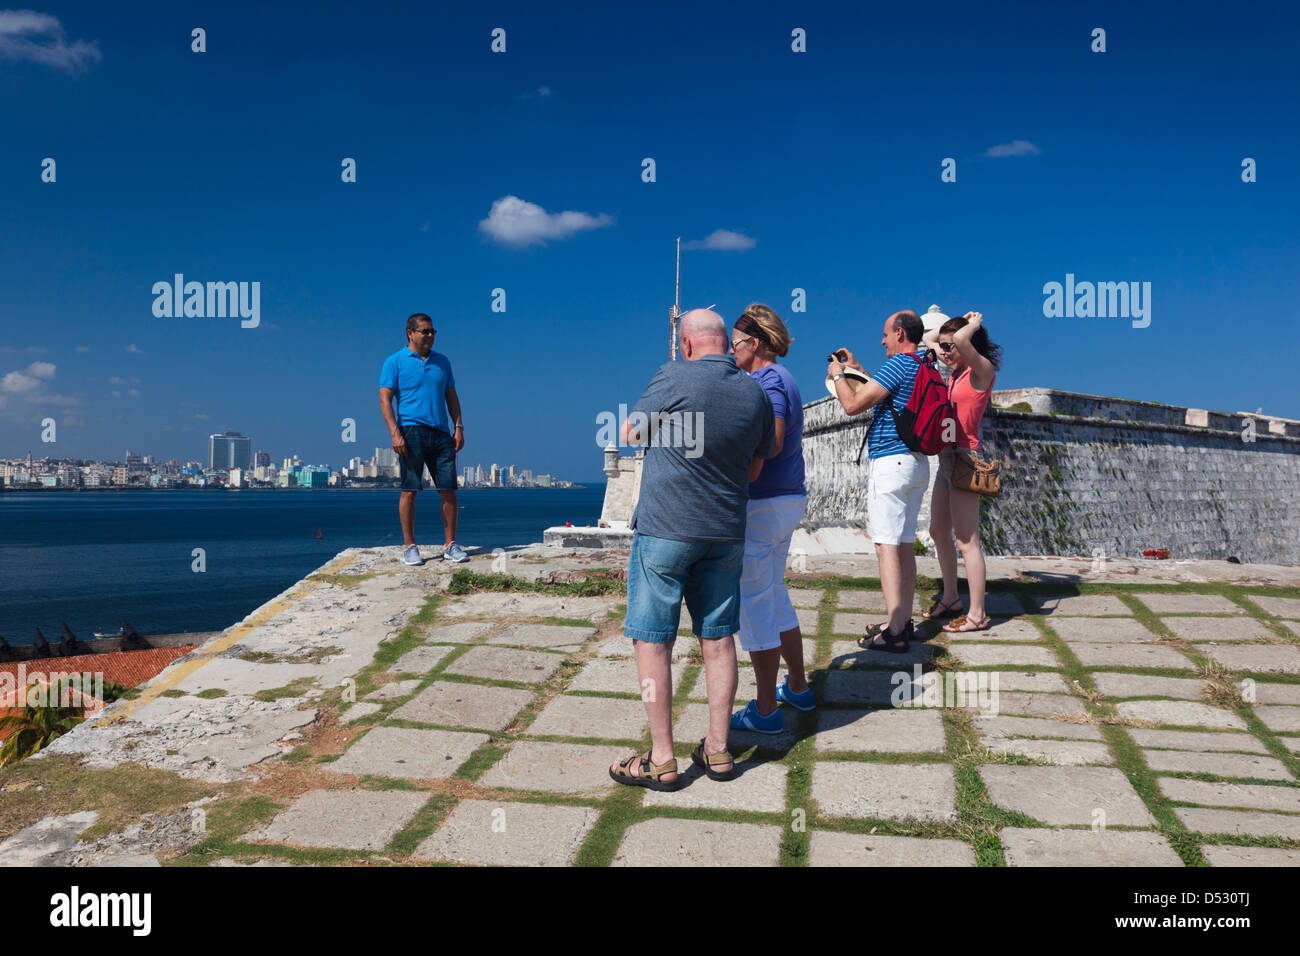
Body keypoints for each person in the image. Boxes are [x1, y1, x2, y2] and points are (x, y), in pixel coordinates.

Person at [609, 309, 775, 791]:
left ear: (685, 344)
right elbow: (754, 471)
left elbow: (631, 435)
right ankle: (719, 750)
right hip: (724, 531)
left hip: (665, 529)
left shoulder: (673, 374)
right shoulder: (755, 391)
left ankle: (662, 758)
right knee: (719, 639)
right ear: (727, 343)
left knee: (653, 639)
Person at [726, 304, 814, 734]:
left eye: (736, 343)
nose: (731, 351)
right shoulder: (783, 378)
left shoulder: (767, 381)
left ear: (755, 344)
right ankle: (796, 686)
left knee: (755, 604)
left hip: (763, 502)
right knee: (774, 595)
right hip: (785, 499)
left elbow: (773, 441)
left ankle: (764, 711)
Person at [827, 310, 931, 652]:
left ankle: (896, 632)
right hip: (917, 465)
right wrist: (859, 369)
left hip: (891, 463)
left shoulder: (899, 363)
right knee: (902, 546)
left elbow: (853, 404)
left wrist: (839, 375)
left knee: (886, 546)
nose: (882, 340)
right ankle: (900, 619)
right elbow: (889, 397)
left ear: (900, 333)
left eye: (886, 334)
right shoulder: (923, 366)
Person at [921, 311, 1001, 632]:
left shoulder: (981, 372)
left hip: (966, 459)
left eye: (949, 347)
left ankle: (977, 614)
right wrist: (944, 336)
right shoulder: (954, 373)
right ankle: (952, 598)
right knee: (938, 532)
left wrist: (973, 325)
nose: (943, 351)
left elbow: (962, 340)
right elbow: (929, 339)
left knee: (968, 541)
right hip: (946, 458)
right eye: (943, 347)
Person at [379, 313, 468, 565]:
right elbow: (385, 399)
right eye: (425, 331)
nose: (430, 336)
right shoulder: (394, 362)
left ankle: (450, 544)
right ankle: (410, 547)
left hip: (441, 433)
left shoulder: (443, 362)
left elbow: (451, 396)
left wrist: (458, 426)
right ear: (410, 333)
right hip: (411, 431)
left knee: (449, 490)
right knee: (409, 490)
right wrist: (394, 432)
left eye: (432, 332)